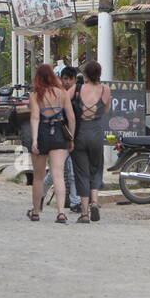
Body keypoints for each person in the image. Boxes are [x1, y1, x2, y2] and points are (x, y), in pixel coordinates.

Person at [27, 64, 74, 223]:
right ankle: (61, 212)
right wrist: (71, 137)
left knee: (38, 177)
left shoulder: (35, 95)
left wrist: (34, 140)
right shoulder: (62, 93)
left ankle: (35, 212)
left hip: (42, 133)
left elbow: (35, 118)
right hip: (59, 133)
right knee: (58, 175)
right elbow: (71, 117)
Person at [71, 60, 112, 223]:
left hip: (80, 133)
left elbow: (64, 104)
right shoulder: (105, 90)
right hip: (96, 133)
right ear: (100, 74)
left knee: (81, 172)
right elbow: (107, 110)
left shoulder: (77, 88)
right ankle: (95, 202)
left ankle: (84, 213)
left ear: (86, 74)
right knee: (96, 168)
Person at [55, 67, 83, 213]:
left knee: (70, 171)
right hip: (63, 138)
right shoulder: (60, 95)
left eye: (69, 79)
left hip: (73, 138)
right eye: (64, 79)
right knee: (57, 170)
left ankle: (75, 202)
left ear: (74, 79)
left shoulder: (79, 93)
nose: (66, 82)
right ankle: (40, 194)